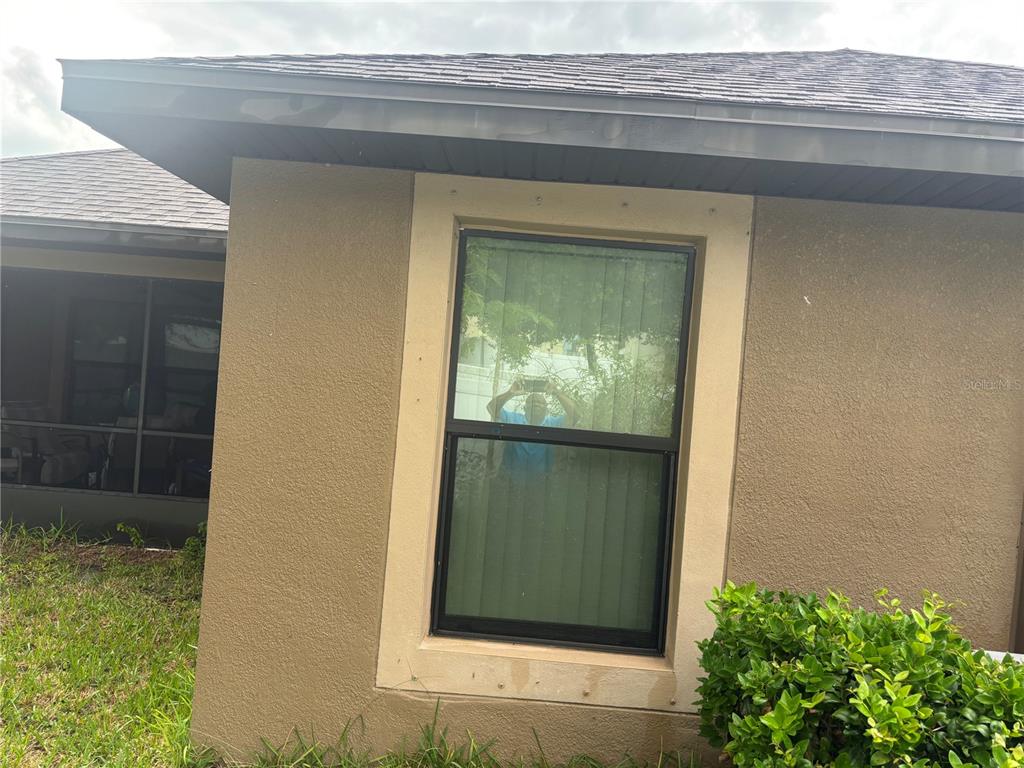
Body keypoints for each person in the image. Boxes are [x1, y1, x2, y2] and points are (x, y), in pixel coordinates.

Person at [486, 378, 578, 471]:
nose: (537, 404)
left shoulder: (553, 423)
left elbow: (575, 415)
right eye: (532, 402)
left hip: (543, 483)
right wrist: (511, 392)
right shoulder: (513, 419)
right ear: (524, 407)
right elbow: (492, 407)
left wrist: (557, 392)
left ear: (547, 410)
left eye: (541, 403)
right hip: (510, 481)